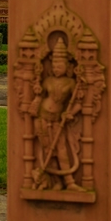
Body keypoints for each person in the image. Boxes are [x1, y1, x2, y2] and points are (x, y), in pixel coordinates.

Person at [29, 36, 83, 191]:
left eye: (60, 64)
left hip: (58, 120)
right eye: (54, 64)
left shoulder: (71, 83)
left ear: (67, 66)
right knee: (47, 149)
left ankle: (70, 182)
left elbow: (78, 103)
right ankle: (55, 181)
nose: (56, 67)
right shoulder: (48, 81)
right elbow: (40, 97)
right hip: (43, 118)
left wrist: (70, 113)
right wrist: (36, 97)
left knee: (61, 150)